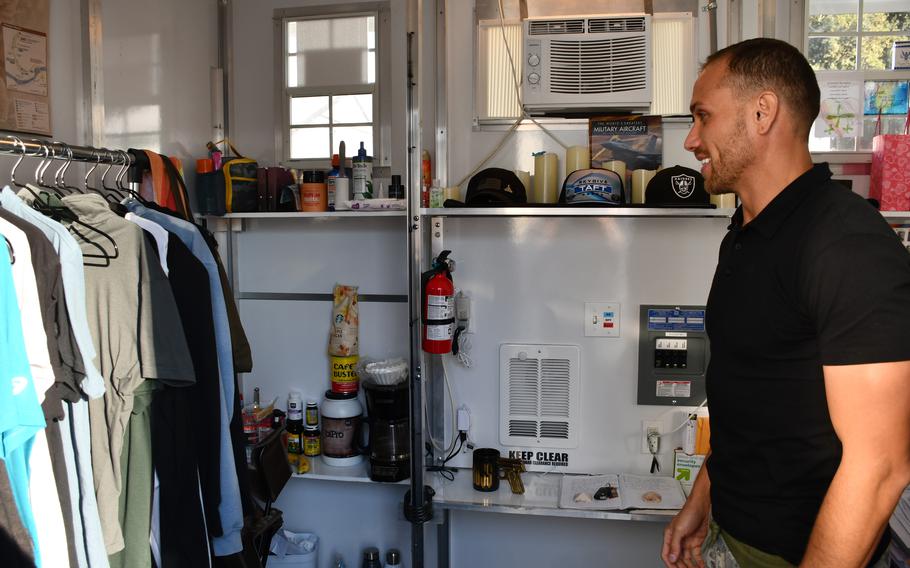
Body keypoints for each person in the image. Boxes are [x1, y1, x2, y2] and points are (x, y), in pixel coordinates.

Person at [662, 37, 910, 568]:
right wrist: (701, 502)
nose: (691, 139)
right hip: (730, 533)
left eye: (703, 117)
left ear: (762, 111)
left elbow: (881, 465)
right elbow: (752, 398)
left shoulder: (846, 244)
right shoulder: (746, 232)